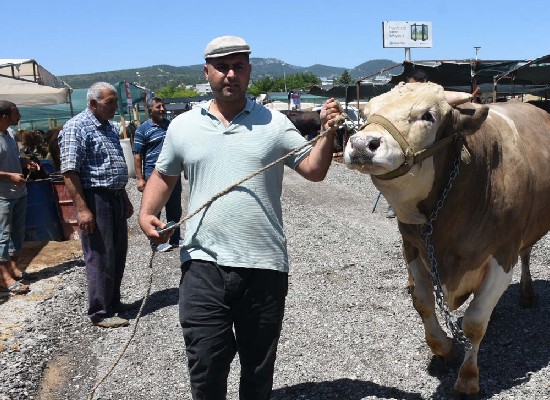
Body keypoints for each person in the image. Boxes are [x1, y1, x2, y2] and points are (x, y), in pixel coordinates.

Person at [138, 35, 342, 400]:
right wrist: (147, 213)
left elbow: (313, 170)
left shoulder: (276, 124)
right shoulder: (183, 126)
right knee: (206, 361)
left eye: (239, 66)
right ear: (207, 72)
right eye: (221, 67)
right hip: (202, 263)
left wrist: (327, 134)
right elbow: (163, 175)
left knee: (257, 367)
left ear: (249, 70)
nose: (230, 74)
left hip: (264, 265)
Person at [58, 82, 134, 328]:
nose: (114, 107)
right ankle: (99, 311)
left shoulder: (109, 128)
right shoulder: (76, 127)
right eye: (109, 102)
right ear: (92, 104)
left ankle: (114, 302)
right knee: (100, 254)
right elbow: (70, 171)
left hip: (114, 196)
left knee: (118, 252)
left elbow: (113, 166)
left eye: (115, 101)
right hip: (96, 198)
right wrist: (81, 208)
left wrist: (124, 198)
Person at [133, 97, 182, 252]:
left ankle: (175, 238)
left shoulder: (171, 126)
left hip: (173, 174)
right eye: (158, 107)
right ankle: (156, 241)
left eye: (163, 106)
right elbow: (137, 155)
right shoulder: (142, 130)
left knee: (175, 208)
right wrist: (140, 179)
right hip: (153, 175)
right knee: (155, 209)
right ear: (149, 110)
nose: (162, 109)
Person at [0, 101, 38, 297]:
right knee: (2, 237)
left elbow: (13, 158)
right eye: (16, 113)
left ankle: (13, 269)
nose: (20, 116)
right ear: (5, 117)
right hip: (2, 196)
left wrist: (26, 162)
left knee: (16, 233)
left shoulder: (11, 134)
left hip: (18, 192)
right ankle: (4, 278)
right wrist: (9, 176)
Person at [385, 69, 430, 219]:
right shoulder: (396, 100)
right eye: (412, 88)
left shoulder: (431, 99)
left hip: (426, 142)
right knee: (398, 172)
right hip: (401, 141)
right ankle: (394, 204)